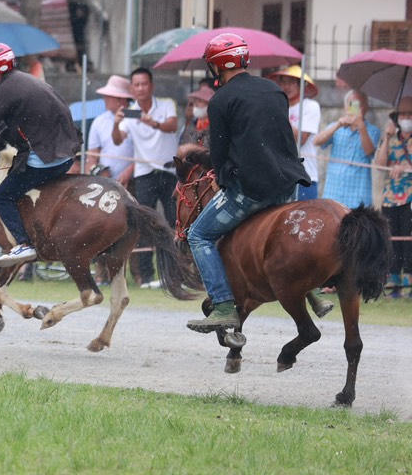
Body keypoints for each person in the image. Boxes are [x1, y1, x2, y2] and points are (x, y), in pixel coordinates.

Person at [185, 32, 311, 333]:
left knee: (198, 235)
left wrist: (195, 156)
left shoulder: (221, 101)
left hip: (253, 190)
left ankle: (224, 306)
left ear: (217, 66)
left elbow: (219, 156)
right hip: (288, 186)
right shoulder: (273, 90)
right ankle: (313, 293)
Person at [0, 43, 81, 268]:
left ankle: (24, 243)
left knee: (1, 196)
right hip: (66, 154)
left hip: (48, 160)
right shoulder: (26, 81)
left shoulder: (6, 90)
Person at [112, 66, 180, 288]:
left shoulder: (167, 104)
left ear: (151, 86)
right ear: (132, 88)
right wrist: (115, 122)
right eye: (136, 85)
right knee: (142, 223)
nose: (140, 88)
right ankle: (146, 277)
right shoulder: (130, 112)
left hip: (169, 171)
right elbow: (118, 140)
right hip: (144, 174)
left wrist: (153, 123)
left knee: (172, 222)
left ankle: (174, 273)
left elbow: (173, 126)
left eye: (144, 84)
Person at [315, 89, 380, 209]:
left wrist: (361, 126)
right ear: (345, 107)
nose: (355, 109)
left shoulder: (373, 130)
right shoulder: (336, 127)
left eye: (359, 105)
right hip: (333, 193)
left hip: (359, 196)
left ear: (366, 107)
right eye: (352, 105)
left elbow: (369, 152)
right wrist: (338, 125)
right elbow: (317, 141)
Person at [375, 97, 412, 297]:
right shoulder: (391, 138)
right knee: (392, 241)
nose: (406, 119)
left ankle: (409, 284)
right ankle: (393, 284)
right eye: (403, 115)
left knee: (409, 242)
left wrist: (405, 167)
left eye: (409, 115)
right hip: (390, 198)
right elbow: (380, 165)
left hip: (410, 199)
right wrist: (387, 138)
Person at [268, 65, 321, 200]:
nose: (286, 87)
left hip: (304, 175)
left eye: (291, 82)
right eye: (283, 82)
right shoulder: (274, 108)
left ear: (300, 85)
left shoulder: (310, 106)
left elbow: (300, 139)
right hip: (279, 175)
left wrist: (280, 111)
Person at [84, 74, 135, 186]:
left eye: (108, 96)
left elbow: (145, 153)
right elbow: (92, 156)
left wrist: (129, 172)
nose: (105, 99)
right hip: (105, 183)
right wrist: (96, 172)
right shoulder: (99, 121)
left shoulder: (137, 118)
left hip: (133, 181)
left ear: (120, 99)